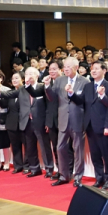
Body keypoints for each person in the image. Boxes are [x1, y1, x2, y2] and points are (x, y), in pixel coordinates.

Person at [0, 66, 51, 178]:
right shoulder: (22, 89)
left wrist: (47, 122)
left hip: (40, 121)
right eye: (27, 74)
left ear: (37, 75)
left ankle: (49, 169)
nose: (29, 76)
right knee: (30, 147)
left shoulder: (42, 87)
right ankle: (34, 169)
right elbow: (9, 94)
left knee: (44, 147)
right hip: (26, 122)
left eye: (31, 73)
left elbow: (48, 106)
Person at [44, 57, 89, 187]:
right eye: (65, 66)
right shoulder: (59, 80)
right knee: (60, 147)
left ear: (76, 67)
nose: (66, 68)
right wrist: (47, 86)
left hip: (77, 119)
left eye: (69, 66)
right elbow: (52, 98)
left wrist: (71, 93)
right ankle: (64, 175)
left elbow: (83, 101)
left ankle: (78, 177)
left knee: (78, 149)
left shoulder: (84, 82)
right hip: (63, 119)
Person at [83, 62, 108, 189]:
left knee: (106, 154)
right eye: (92, 69)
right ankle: (99, 178)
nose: (93, 71)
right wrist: (70, 93)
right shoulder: (87, 86)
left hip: (102, 126)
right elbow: (83, 103)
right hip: (90, 126)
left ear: (104, 70)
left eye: (97, 68)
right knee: (95, 155)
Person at [0, 71, 26, 173]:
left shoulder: (26, 91)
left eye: (16, 78)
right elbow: (4, 105)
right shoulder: (10, 93)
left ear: (23, 79)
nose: (14, 80)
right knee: (15, 146)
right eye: (13, 79)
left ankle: (27, 166)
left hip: (23, 123)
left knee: (27, 146)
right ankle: (18, 166)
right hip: (11, 123)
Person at [43, 61, 63, 178]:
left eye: (54, 69)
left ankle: (67, 171)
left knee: (64, 148)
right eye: (50, 69)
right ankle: (59, 170)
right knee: (55, 147)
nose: (52, 72)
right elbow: (47, 105)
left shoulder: (65, 82)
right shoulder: (47, 83)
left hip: (63, 120)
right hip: (51, 120)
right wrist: (47, 121)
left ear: (60, 70)